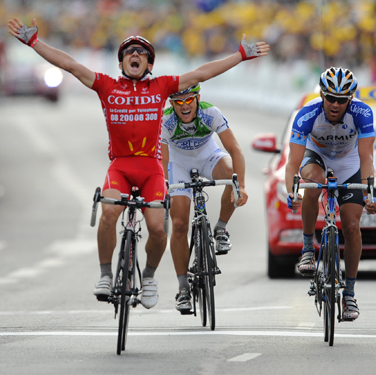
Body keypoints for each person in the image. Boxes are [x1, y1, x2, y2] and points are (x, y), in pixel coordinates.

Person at [8, 17, 269, 309]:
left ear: (149, 64)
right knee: (109, 214)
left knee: (159, 229)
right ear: (121, 63)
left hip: (150, 170)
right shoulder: (107, 86)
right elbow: (69, 65)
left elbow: (202, 73)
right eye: (129, 52)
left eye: (142, 52)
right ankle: (106, 274)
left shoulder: (161, 88)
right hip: (119, 167)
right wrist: (33, 43)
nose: (135, 55)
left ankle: (149, 276)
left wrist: (240, 55)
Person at [285, 67, 376, 321]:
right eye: (330, 98)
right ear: (322, 96)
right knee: (313, 182)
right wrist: (292, 191)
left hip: (348, 162)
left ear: (350, 99)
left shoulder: (362, 113)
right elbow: (292, 163)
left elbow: (366, 157)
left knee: (351, 226)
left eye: (342, 100)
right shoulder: (307, 114)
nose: (335, 105)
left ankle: (349, 293)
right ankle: (307, 248)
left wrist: (369, 192)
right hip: (317, 156)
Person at [161, 83, 248, 313]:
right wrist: (164, 187)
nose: (185, 106)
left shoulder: (211, 113)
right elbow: (162, 159)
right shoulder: (166, 121)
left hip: (208, 156)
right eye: (178, 102)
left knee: (232, 176)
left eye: (189, 100)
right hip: (178, 163)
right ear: (172, 104)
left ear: (198, 98)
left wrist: (242, 187)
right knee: (179, 224)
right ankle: (183, 288)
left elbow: (235, 150)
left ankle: (220, 228)